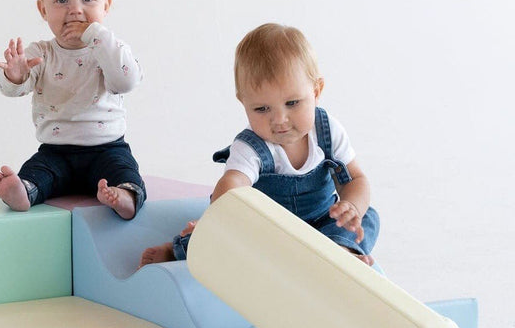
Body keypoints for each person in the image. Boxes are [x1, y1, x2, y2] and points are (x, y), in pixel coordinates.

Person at [140, 22, 379, 266]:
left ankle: (340, 252)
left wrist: (351, 206)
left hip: (321, 226)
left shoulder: (328, 131)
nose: (279, 120)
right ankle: (180, 249)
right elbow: (233, 183)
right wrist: (217, 218)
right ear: (243, 102)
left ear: (316, 91)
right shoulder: (251, 147)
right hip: (267, 232)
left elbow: (356, 179)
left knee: (368, 216)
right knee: (228, 230)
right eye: (262, 109)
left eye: (293, 103)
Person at [0, 0, 146, 219]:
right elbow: (11, 89)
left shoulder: (110, 49)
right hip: (56, 152)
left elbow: (126, 81)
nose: (75, 10)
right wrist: (15, 75)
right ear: (43, 9)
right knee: (39, 171)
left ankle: (125, 196)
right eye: (62, 1)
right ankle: (24, 191)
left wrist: (97, 34)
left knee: (124, 170)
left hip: (107, 148)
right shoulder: (42, 53)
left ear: (106, 5)